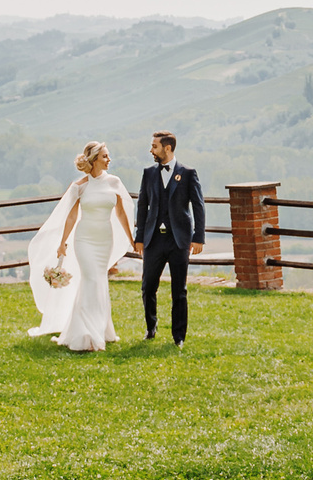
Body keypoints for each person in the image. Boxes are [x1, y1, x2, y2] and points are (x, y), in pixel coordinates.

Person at [26, 141, 133, 351]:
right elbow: (71, 216)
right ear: (94, 160)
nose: (109, 159)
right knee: (91, 279)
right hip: (84, 239)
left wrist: (131, 237)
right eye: (105, 156)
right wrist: (62, 243)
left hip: (104, 239)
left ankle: (102, 329)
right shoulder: (80, 186)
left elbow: (120, 212)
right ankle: (87, 333)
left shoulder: (114, 182)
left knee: (99, 280)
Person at [133, 130, 206, 345]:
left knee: (179, 290)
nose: (151, 150)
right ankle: (151, 328)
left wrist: (198, 237)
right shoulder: (148, 173)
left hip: (179, 240)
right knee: (148, 286)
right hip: (153, 239)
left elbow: (198, 206)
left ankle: (179, 336)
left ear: (167, 148)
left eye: (154, 146)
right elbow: (142, 206)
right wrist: (139, 237)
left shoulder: (188, 173)